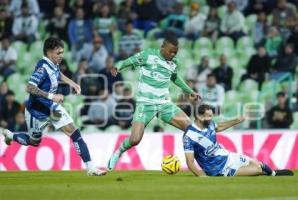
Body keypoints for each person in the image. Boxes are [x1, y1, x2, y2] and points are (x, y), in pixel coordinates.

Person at [1, 38, 106, 176]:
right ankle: (10, 135)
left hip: (52, 108)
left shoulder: (54, 64)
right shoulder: (42, 67)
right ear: (49, 52)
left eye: (62, 52)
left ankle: (91, 168)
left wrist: (72, 83)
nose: (61, 55)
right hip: (36, 113)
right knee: (34, 141)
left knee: (74, 132)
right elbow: (30, 87)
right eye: (58, 52)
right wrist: (52, 96)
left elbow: (58, 74)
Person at [107, 34, 200, 170]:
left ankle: (198, 162)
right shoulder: (148, 55)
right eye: (170, 51)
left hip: (164, 104)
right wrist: (118, 67)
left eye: (175, 52)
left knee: (191, 129)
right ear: (162, 47)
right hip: (145, 104)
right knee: (135, 139)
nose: (173, 54)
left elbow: (175, 78)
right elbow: (129, 61)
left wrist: (190, 91)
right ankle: (118, 152)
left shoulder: (174, 62)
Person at [183, 104, 294, 177]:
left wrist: (237, 120)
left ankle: (273, 174)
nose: (211, 119)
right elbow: (190, 162)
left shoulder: (209, 124)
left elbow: (219, 127)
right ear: (199, 117)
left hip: (228, 156)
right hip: (219, 169)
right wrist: (201, 175)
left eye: (211, 116)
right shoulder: (189, 136)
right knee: (258, 169)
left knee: (257, 162)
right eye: (208, 116)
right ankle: (270, 174)